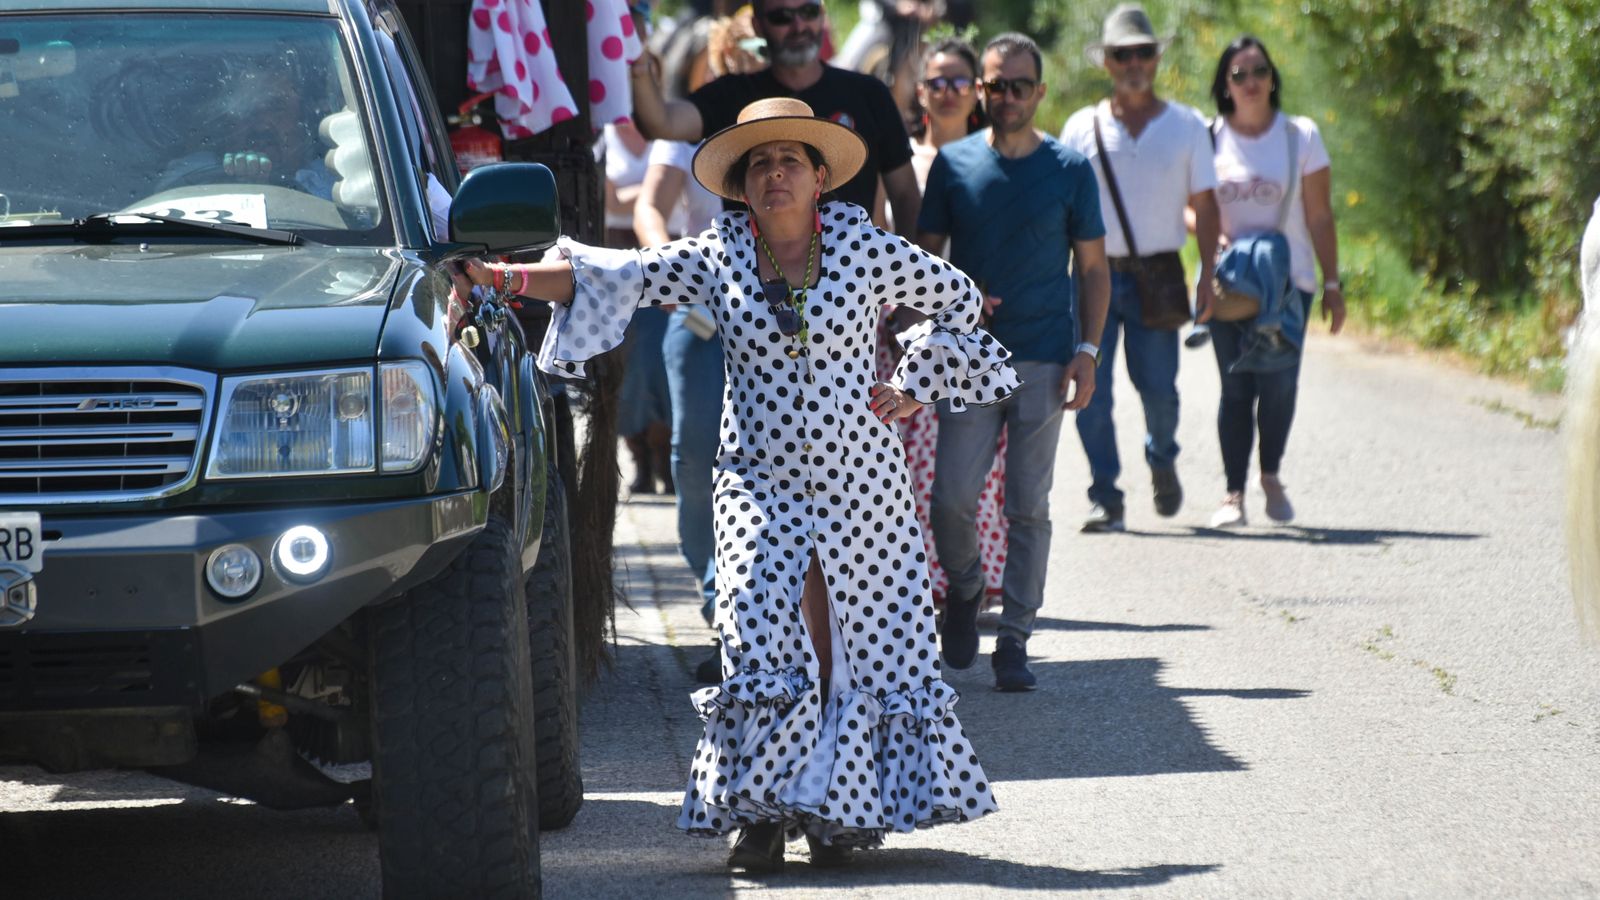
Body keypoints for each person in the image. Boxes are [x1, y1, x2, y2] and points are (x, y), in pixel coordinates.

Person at [465, 98, 1009, 869]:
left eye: (790, 160)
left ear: (820, 178)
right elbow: (618, 275)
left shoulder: (863, 245)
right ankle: (758, 815)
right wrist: (502, 275)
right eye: (758, 163)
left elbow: (958, 299)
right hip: (758, 484)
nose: (774, 173)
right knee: (758, 632)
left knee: (845, 645)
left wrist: (917, 381)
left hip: (862, 486)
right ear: (743, 187)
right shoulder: (719, 254)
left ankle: (833, 810)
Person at [917, 33, 1110, 692]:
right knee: (951, 501)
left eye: (1018, 86)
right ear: (981, 91)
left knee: (1028, 505)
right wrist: (956, 302)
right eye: (994, 85)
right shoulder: (954, 165)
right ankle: (966, 590)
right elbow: (925, 263)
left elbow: (1091, 267)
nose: (1005, 97)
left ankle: (1017, 639)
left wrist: (1086, 351)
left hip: (1044, 357)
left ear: (1040, 93)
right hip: (968, 360)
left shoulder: (1069, 169)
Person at [634, 11, 767, 682]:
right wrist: (673, 265)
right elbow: (650, 207)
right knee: (692, 456)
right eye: (737, 51)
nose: (749, 61)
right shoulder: (694, 121)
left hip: (772, 313)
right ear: (717, 58)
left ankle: (736, 610)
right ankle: (713, 581)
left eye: (759, 51)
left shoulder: (780, 127)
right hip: (700, 313)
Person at [1059, 4, 1220, 532]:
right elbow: (1059, 208)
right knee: (1090, 392)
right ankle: (1106, 495)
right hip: (1091, 275)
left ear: (1156, 58)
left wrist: (1209, 273)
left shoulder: (1188, 125)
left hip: (1159, 273)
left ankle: (1162, 457)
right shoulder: (1081, 127)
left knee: (1160, 390)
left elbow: (1208, 204)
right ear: (1105, 62)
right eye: (1122, 54)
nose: (1133, 62)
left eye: (1143, 52)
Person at [881, 36, 1006, 611]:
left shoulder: (998, 158)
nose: (949, 92)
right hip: (906, 333)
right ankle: (916, 586)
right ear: (921, 92)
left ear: (977, 90)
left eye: (961, 80)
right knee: (908, 467)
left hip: (977, 337)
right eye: (938, 82)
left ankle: (966, 581)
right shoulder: (900, 162)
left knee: (970, 472)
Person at [1202, 35, 1345, 528]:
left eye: (1259, 71)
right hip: (1230, 285)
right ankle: (1233, 493)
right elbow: (1188, 204)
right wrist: (1212, 233)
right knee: (1235, 385)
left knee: (1280, 384)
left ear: (1272, 77)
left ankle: (1271, 475)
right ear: (1225, 84)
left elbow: (1321, 216)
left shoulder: (1299, 136)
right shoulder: (1207, 137)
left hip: (1290, 284)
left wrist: (1332, 284)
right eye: (1239, 74)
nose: (1250, 82)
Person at [629, 0, 922, 234]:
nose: (798, 25)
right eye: (782, 16)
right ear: (758, 25)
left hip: (848, 289)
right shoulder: (733, 93)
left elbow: (906, 197)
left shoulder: (868, 93)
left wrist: (908, 294)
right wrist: (635, 55)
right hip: (751, 289)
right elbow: (661, 122)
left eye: (808, 11)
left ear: (822, 16)